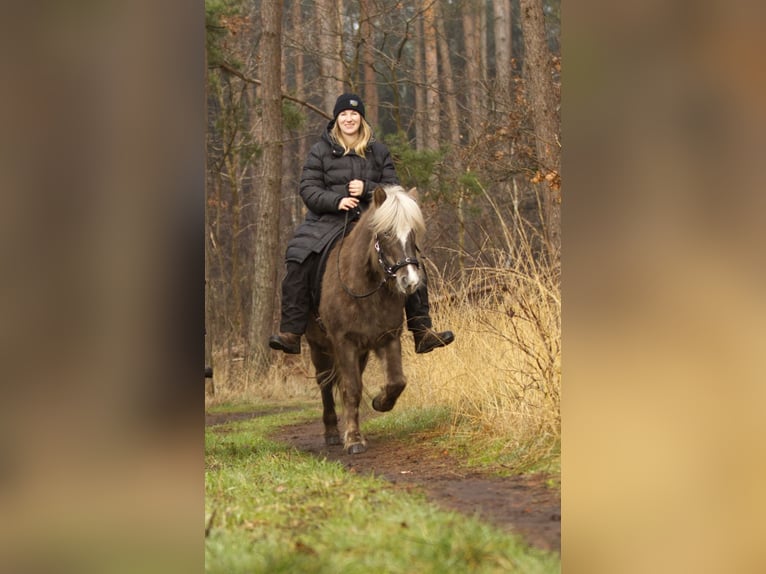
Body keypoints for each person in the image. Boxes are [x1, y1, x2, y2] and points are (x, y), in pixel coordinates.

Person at [269, 93, 454, 355]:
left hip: (371, 222)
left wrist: (368, 188)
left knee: (410, 259)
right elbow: (308, 189)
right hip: (327, 222)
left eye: (354, 114)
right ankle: (292, 331)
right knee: (299, 258)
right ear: (337, 119)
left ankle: (422, 331)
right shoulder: (320, 150)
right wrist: (336, 201)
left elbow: (394, 190)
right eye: (343, 114)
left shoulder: (378, 151)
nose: (349, 118)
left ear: (361, 119)